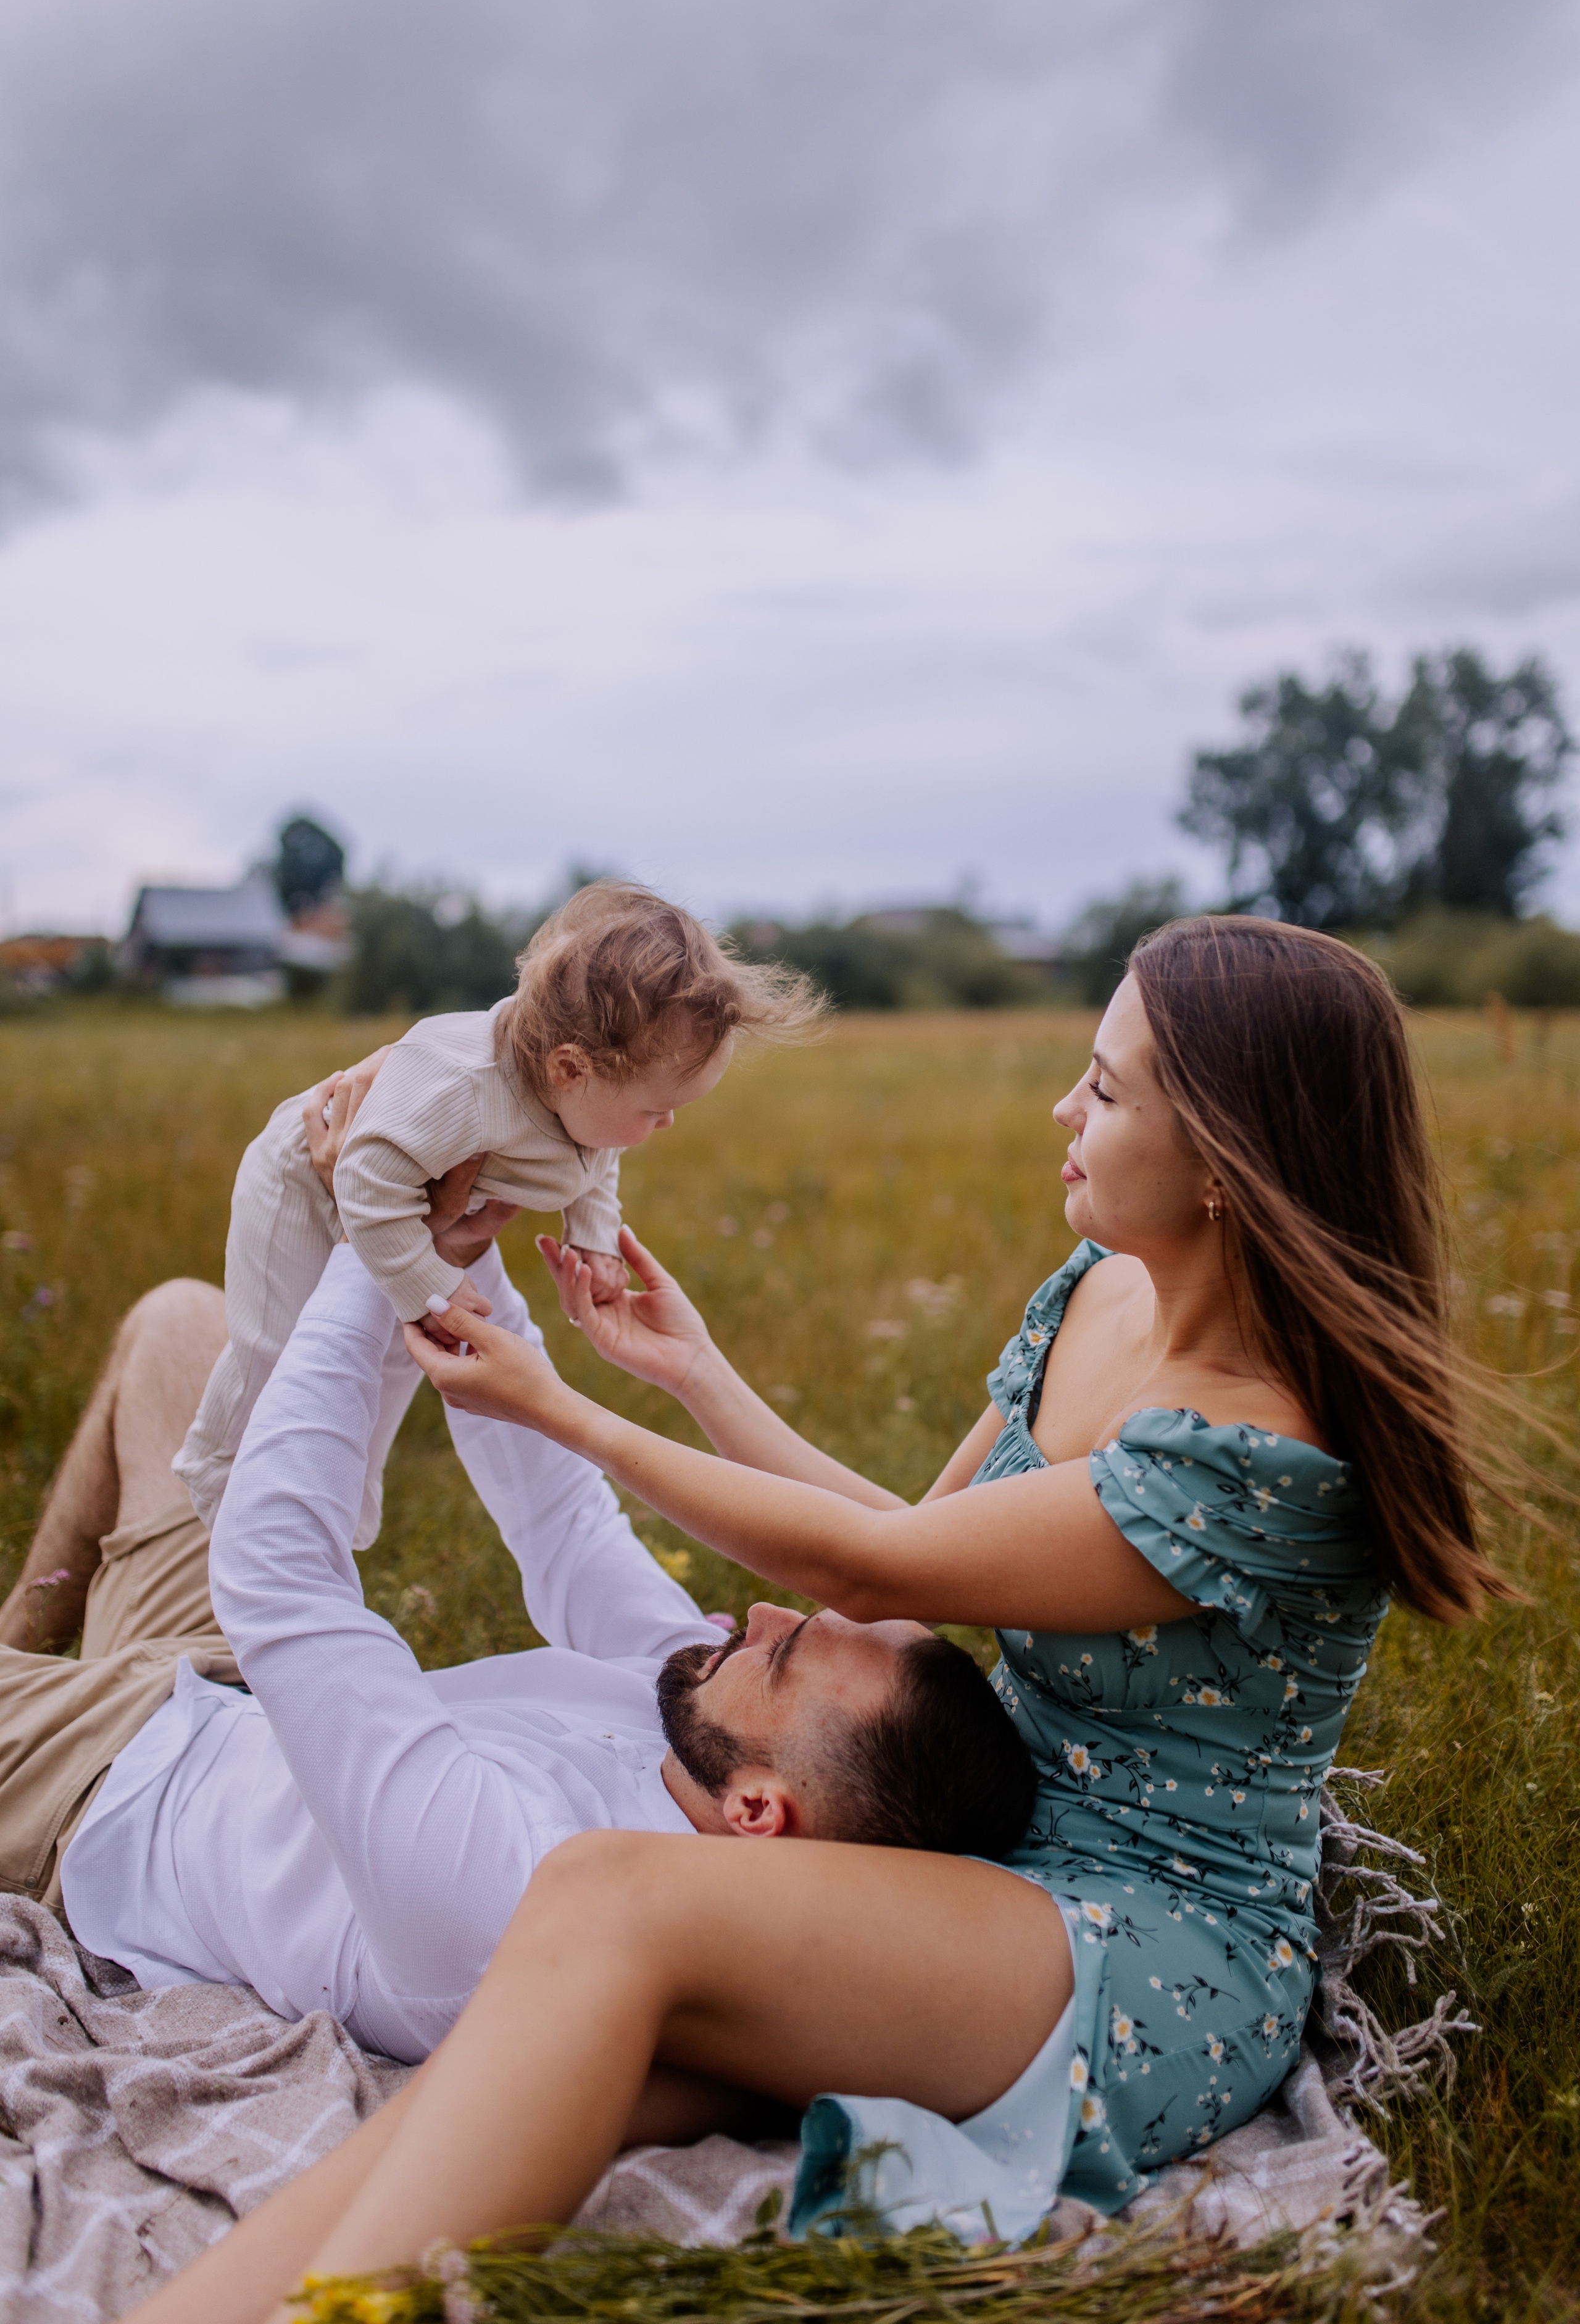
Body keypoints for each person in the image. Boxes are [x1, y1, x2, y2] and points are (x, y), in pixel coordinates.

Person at [131, 917, 1516, 2324]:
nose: (1061, 1108)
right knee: (533, 2058)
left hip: (1143, 1938)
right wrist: (693, 1371)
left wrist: (562, 1410)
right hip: (989, 1842)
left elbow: (862, 1573)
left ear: (1226, 1156)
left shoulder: (1246, 1456)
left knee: (608, 1897)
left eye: (1102, 1088)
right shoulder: (1096, 1295)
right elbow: (913, 1553)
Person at [0, 1092, 1029, 2076]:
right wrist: (460, 1220)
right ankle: (27, 1632)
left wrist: (377, 1237)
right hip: (223, 1693)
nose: (758, 1613)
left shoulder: (517, 1903)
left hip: (108, 1796)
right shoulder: (699, 1722)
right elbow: (567, 1528)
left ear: (763, 1811)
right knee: (183, 1325)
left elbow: (282, 1579)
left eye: (787, 1652)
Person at [172, 881, 818, 1547]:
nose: (668, 1123)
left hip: (400, 1201)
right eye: (654, 1109)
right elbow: (362, 1179)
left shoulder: (585, 1101)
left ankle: (329, 1502)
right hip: (306, 1181)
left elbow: (596, 1157)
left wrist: (592, 1235)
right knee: (275, 1346)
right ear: (570, 1069)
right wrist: (431, 1283)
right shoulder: (465, 1086)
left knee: (383, 1362)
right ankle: (220, 1467)